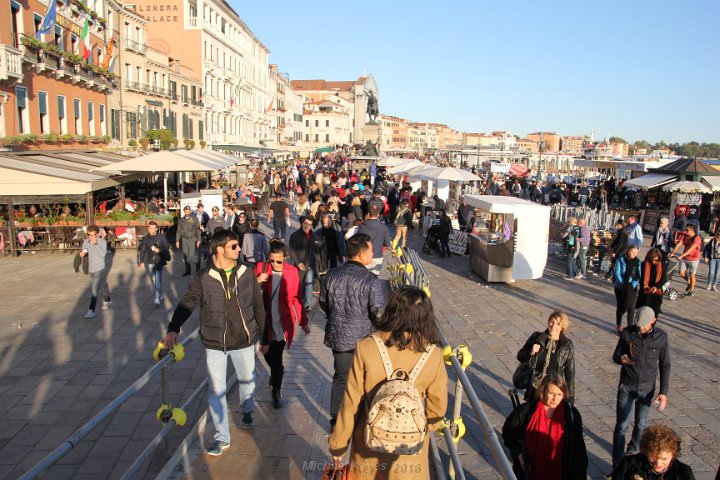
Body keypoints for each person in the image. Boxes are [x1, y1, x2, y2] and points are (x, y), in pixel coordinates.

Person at [328, 285, 448, 479]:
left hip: (368, 446)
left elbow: (351, 403)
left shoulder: (366, 347)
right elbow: (437, 410)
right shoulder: (433, 354)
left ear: (391, 310)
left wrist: (338, 445)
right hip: (408, 453)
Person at [164, 229, 266, 456]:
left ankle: (247, 410)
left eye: (238, 245)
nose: (239, 249)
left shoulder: (247, 272)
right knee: (216, 390)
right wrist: (173, 329)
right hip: (215, 343)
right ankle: (222, 437)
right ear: (220, 249)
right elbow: (187, 302)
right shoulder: (204, 277)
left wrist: (265, 336)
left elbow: (258, 305)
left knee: (247, 383)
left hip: (244, 340)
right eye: (234, 246)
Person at [319, 233, 385, 431]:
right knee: (364, 379)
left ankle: (336, 421)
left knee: (341, 377)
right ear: (362, 255)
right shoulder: (371, 280)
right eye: (371, 251)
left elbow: (324, 303)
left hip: (338, 336)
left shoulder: (332, 274)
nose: (372, 254)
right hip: (364, 339)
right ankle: (361, 418)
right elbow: (378, 312)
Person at [611, 306, 671, 471]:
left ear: (653, 321)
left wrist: (663, 392)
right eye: (639, 325)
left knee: (641, 424)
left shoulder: (661, 337)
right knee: (622, 425)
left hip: (647, 388)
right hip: (627, 385)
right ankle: (617, 464)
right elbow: (616, 355)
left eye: (644, 325)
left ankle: (632, 451)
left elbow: (665, 365)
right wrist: (620, 358)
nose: (641, 328)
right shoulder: (628, 333)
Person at [254, 240, 310, 409]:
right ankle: (276, 373)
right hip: (264, 322)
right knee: (266, 354)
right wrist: (257, 281)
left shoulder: (292, 273)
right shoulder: (260, 268)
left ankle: (276, 391)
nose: (275, 264)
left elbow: (297, 299)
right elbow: (246, 291)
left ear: (285, 258)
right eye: (271, 260)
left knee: (277, 358)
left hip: (283, 323)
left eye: (279, 261)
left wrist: (303, 321)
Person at [502, 375, 588, 480]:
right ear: (543, 392)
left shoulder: (570, 413)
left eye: (559, 394)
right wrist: (518, 454)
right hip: (532, 469)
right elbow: (509, 432)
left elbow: (579, 447)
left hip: (561, 470)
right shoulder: (526, 410)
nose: (555, 398)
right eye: (552, 394)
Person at [516, 311, 576, 404]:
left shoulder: (567, 345)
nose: (554, 326)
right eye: (552, 322)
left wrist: (570, 398)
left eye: (558, 324)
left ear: (562, 327)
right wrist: (530, 353)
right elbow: (520, 356)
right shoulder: (537, 337)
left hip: (554, 390)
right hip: (536, 388)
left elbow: (570, 374)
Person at [612, 424, 695, 480]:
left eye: (664, 458)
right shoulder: (629, 464)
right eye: (653, 457)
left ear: (673, 454)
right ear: (646, 451)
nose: (658, 463)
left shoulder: (683, 472)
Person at [80, 225, 112, 319]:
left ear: (97, 235)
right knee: (101, 284)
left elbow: (102, 254)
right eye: (88, 235)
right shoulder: (86, 241)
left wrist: (95, 245)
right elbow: (85, 249)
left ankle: (91, 310)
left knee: (94, 288)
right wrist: (83, 253)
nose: (90, 237)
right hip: (91, 267)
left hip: (99, 267)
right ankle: (107, 299)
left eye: (92, 235)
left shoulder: (102, 242)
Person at [137, 221, 171, 306]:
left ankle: (157, 298)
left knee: (157, 280)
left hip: (159, 260)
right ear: (148, 228)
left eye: (153, 228)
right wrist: (141, 261)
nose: (151, 230)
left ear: (156, 228)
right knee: (155, 279)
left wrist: (159, 249)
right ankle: (161, 294)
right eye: (150, 228)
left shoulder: (161, 237)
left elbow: (167, 246)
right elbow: (143, 250)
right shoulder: (146, 238)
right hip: (150, 261)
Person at [614, 244, 641, 333]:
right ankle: (619, 325)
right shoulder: (621, 259)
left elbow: (638, 275)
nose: (634, 254)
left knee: (631, 307)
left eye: (636, 252)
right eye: (632, 251)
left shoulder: (637, 262)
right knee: (621, 305)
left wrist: (632, 284)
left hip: (632, 287)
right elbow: (617, 273)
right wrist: (623, 285)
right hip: (620, 287)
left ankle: (630, 326)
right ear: (628, 250)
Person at [357, 205, 392, 275]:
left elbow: (358, 240)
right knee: (375, 277)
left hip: (364, 255)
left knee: (363, 277)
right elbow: (387, 243)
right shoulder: (383, 227)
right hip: (377, 255)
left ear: (368, 214)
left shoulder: (362, 226)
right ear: (378, 214)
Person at [669, 224, 702, 296]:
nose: (685, 231)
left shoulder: (697, 238)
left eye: (687, 230)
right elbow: (679, 244)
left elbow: (690, 249)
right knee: (681, 273)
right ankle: (689, 282)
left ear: (692, 230)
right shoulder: (684, 236)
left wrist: (681, 256)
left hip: (694, 259)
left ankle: (691, 290)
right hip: (685, 258)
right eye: (685, 230)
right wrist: (673, 253)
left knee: (692, 274)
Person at [635, 248, 665, 318]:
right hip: (645, 292)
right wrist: (645, 286)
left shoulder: (662, 265)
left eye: (656, 260)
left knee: (654, 314)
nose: (654, 261)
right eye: (653, 260)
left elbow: (663, 279)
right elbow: (640, 278)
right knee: (643, 313)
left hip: (656, 292)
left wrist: (656, 286)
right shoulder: (644, 264)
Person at [176, 205, 201, 276]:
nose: (187, 212)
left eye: (188, 210)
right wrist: (177, 241)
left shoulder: (194, 219)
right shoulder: (181, 220)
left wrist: (199, 239)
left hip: (192, 239)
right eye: (185, 210)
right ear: (184, 211)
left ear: (190, 211)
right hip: (184, 239)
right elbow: (178, 231)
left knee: (192, 256)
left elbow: (198, 230)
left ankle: (198, 268)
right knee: (185, 255)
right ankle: (188, 270)